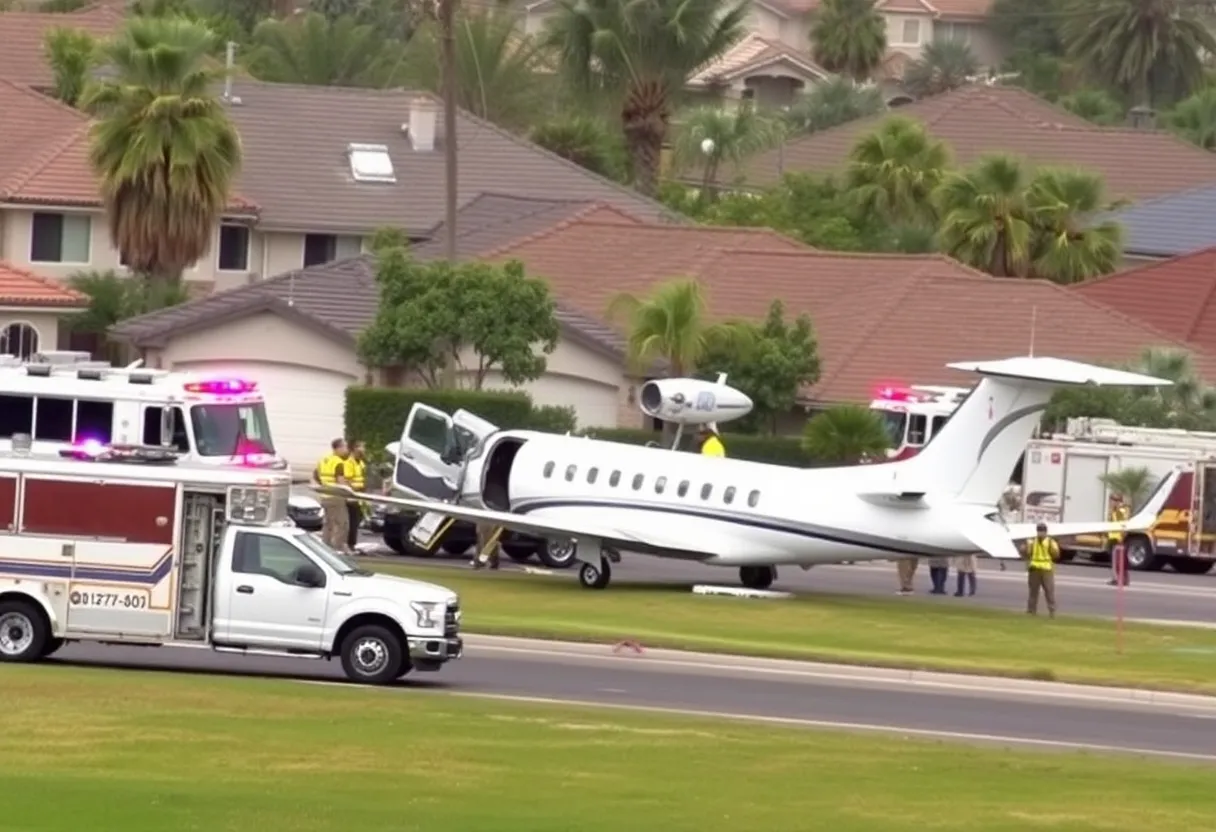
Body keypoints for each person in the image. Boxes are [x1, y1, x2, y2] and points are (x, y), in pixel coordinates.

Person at [313, 438, 349, 550]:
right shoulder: (338, 462)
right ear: (338, 448)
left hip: (325, 496)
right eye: (344, 447)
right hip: (335, 496)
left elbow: (316, 476)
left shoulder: (323, 460)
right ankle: (337, 548)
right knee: (342, 524)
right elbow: (340, 481)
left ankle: (325, 546)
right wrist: (347, 493)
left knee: (328, 524)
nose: (346, 450)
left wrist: (324, 485)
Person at [1022, 522, 1060, 618]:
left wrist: (1053, 551)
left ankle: (1052, 611)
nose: (1041, 533)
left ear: (1046, 532)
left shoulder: (1051, 542)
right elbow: (1027, 554)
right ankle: (1031, 610)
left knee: (1049, 591)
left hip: (1046, 568)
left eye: (1042, 531)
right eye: (1039, 531)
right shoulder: (1032, 541)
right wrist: (1024, 549)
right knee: (1033, 591)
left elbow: (1056, 555)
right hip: (1035, 567)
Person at [343, 440, 368, 555]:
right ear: (354, 449)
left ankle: (352, 543)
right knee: (352, 520)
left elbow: (362, 478)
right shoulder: (349, 463)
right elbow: (347, 480)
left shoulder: (360, 463)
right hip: (352, 495)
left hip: (360, 496)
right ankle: (349, 544)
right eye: (361, 447)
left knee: (357, 519)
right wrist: (353, 491)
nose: (363, 450)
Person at [1107, 493, 1131, 587]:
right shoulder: (1115, 510)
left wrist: (1122, 536)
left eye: (1114, 501)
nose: (1111, 503)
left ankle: (1121, 579)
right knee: (1117, 560)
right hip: (1113, 537)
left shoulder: (1120, 511)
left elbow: (1123, 524)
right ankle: (1118, 578)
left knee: (1119, 561)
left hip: (1119, 538)